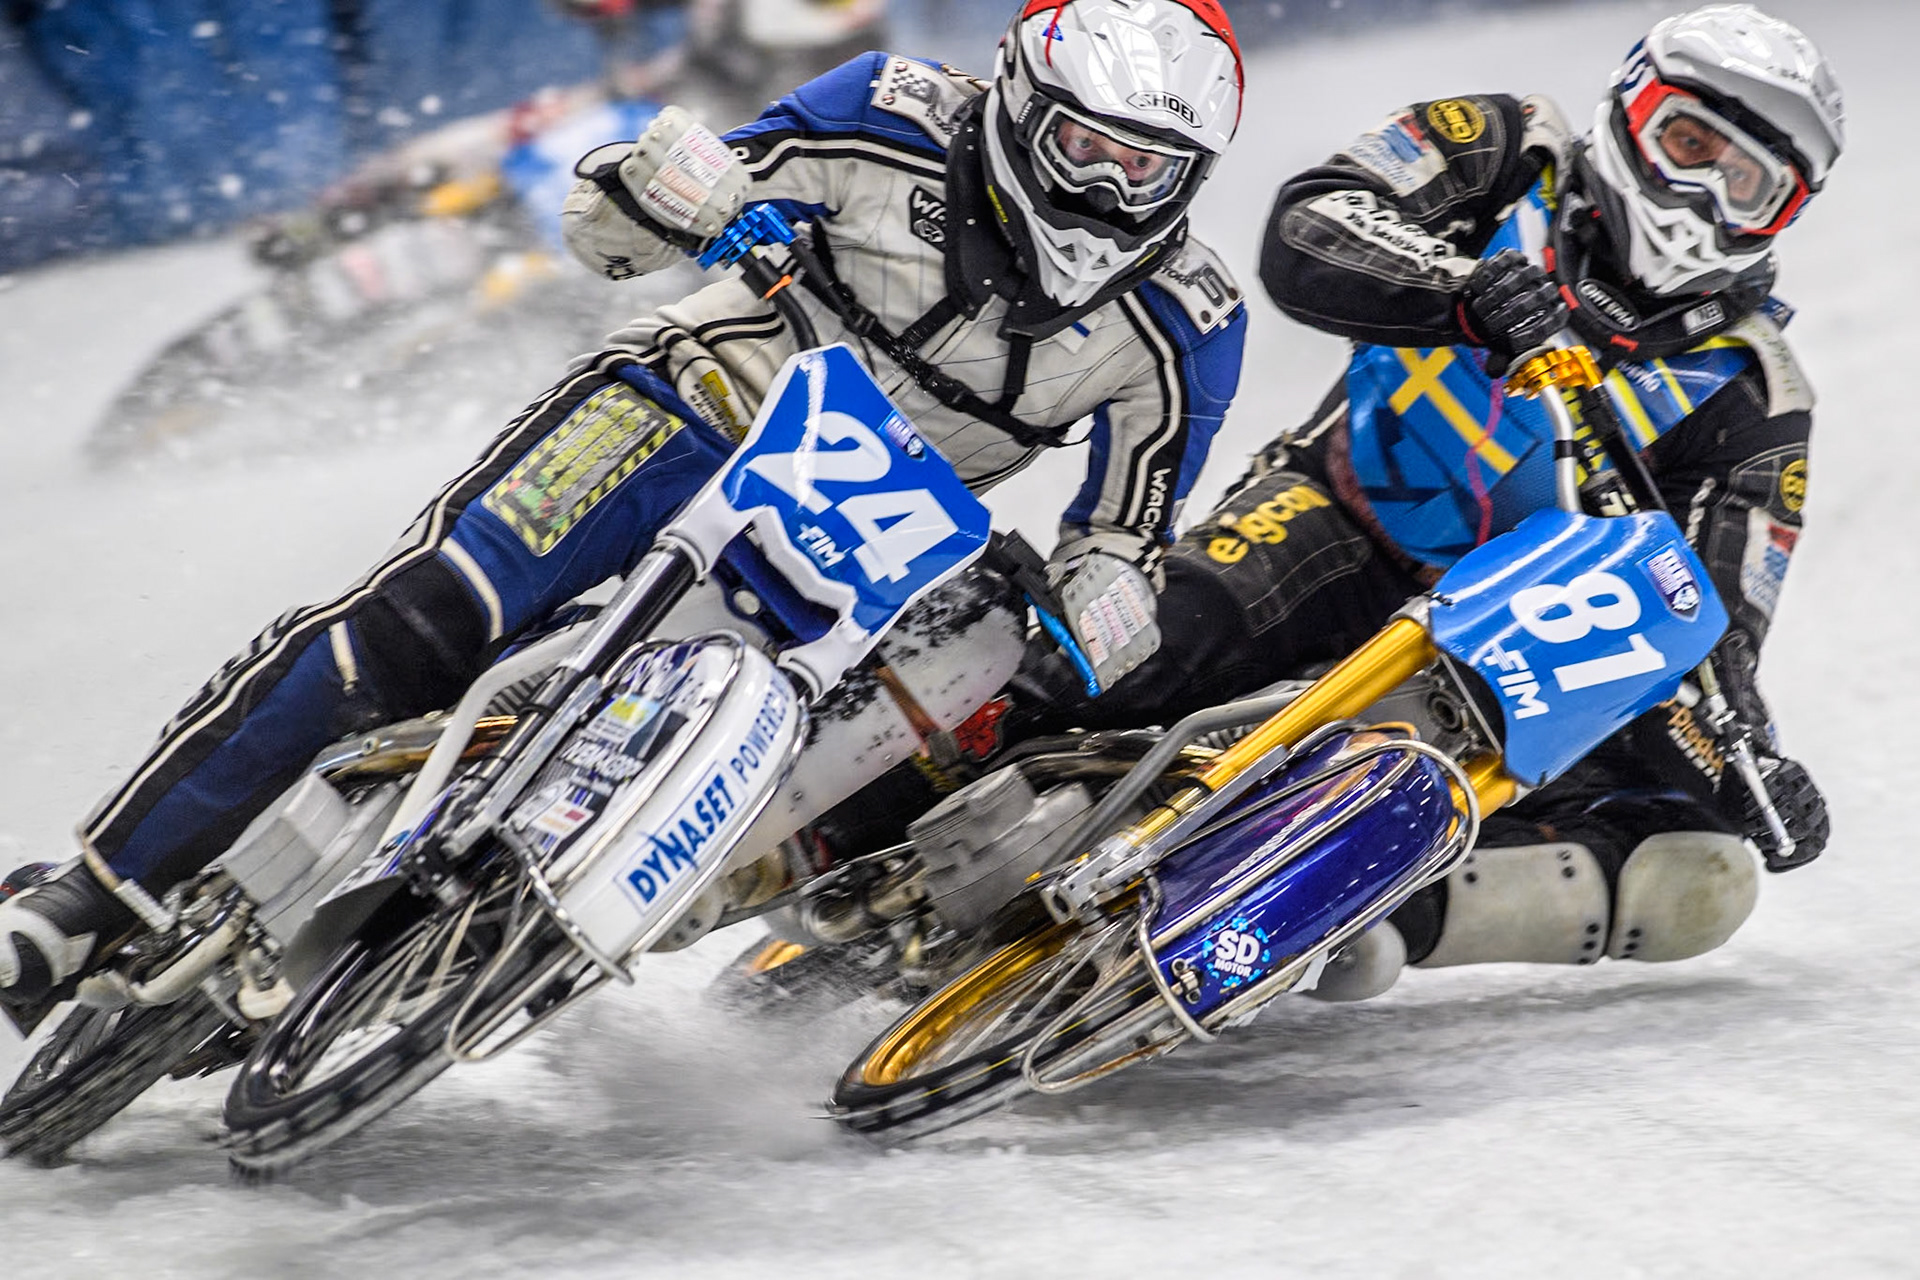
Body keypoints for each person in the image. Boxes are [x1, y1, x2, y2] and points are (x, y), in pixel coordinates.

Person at [0, 0, 1248, 1012]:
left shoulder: (1186, 322)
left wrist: (1109, 593)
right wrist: (678, 193)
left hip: (873, 534)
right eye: (1091, 148)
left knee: (939, 691)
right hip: (692, 399)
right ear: (1025, 103)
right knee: (420, 621)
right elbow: (615, 221)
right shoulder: (883, 111)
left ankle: (582, 917)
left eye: (1154, 168)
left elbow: (1127, 524)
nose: (1113, 190)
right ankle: (84, 901)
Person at [1029, 3, 1839, 1000]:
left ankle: (1364, 912)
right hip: (1335, 518)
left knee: (1698, 870)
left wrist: (1751, 764)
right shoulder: (1503, 148)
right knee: (1103, 657)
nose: (1702, 193)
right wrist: (1462, 291)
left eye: (1746, 183)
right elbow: (1308, 221)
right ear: (1631, 110)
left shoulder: (1757, 394)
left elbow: (1707, 637)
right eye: (1687, 142)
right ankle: (846, 814)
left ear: (1784, 215)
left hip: (1515, 653)